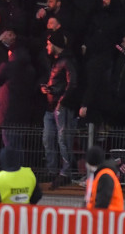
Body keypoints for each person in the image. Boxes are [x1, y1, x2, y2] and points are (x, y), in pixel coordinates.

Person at [41, 31, 78, 189]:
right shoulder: (56, 61)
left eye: (49, 43)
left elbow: (73, 83)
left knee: (63, 140)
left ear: (55, 44)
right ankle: (52, 170)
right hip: (51, 106)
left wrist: (62, 101)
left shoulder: (67, 61)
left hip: (60, 107)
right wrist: (48, 88)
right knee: (48, 138)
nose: (46, 46)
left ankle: (66, 172)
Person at [83, 145, 124, 211]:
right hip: (107, 217)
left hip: (109, 217)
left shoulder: (105, 176)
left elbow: (102, 203)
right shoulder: (98, 175)